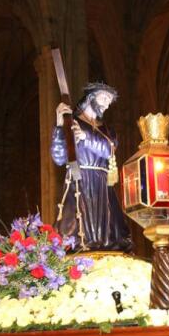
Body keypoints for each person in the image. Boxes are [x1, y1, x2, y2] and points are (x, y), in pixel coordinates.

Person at [51, 81, 132, 252]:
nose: (107, 105)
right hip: (79, 181)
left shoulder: (108, 131)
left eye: (109, 101)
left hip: (102, 185)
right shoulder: (71, 122)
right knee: (78, 234)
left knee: (109, 236)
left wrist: (85, 137)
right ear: (90, 97)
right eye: (104, 98)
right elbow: (59, 158)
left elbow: (109, 149)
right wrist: (59, 125)